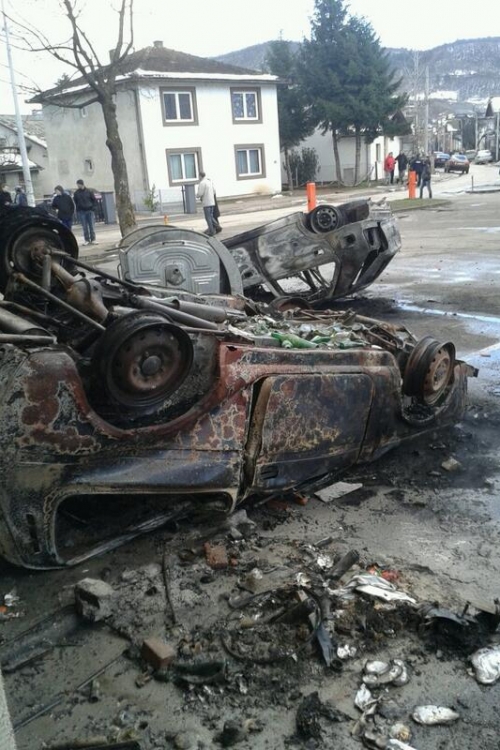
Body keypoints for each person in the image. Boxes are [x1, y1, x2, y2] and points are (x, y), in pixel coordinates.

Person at [73, 178, 98, 245]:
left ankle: (93, 239)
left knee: (91, 226)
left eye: (78, 184)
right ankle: (86, 240)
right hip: (82, 211)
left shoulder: (89, 191)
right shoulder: (76, 193)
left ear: (81, 184)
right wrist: (78, 210)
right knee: (84, 227)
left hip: (90, 210)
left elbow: (94, 200)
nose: (78, 186)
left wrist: (94, 208)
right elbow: (76, 202)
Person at [197, 172, 221, 236]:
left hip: (206, 202)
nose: (198, 178)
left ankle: (212, 231)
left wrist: (197, 195)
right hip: (212, 202)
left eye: (199, 176)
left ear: (200, 176)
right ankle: (217, 226)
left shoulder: (202, 183)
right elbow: (214, 191)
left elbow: (200, 193)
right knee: (211, 216)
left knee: (208, 218)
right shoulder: (209, 182)